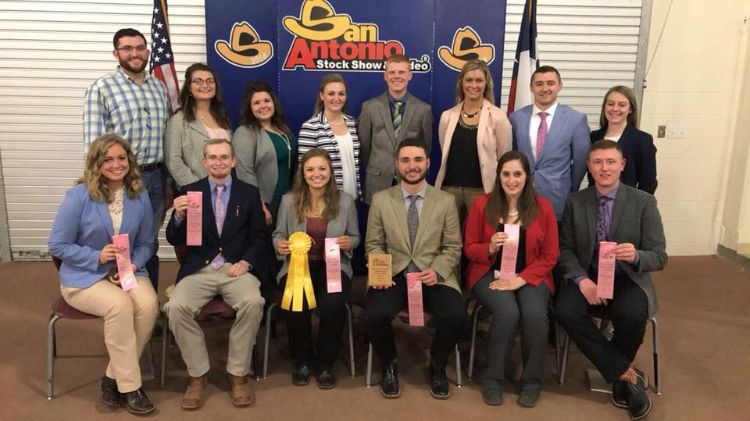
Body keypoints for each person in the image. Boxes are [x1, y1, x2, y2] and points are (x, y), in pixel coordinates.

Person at [555, 140, 667, 421]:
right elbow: (565, 250)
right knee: (564, 309)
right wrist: (582, 280)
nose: (604, 168)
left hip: (626, 277)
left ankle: (617, 373)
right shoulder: (576, 201)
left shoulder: (643, 202)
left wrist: (637, 255)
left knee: (631, 314)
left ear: (622, 165)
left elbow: (659, 255)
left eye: (610, 162)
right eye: (597, 163)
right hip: (589, 276)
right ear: (589, 168)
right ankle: (625, 374)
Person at [48, 134, 158, 415]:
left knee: (148, 305)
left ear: (130, 161)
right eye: (107, 159)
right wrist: (95, 256)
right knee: (119, 305)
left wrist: (133, 265)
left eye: (121, 158)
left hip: (126, 270)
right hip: (84, 277)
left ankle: (112, 377)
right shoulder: (79, 196)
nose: (116, 164)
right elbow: (57, 245)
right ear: (96, 163)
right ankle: (131, 387)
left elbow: (147, 243)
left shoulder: (139, 193)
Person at [164, 139, 266, 410]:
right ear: (204, 162)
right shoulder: (190, 192)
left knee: (254, 303)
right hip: (200, 269)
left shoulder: (249, 193)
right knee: (175, 307)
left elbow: (259, 237)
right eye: (212, 157)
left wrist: (246, 262)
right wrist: (178, 217)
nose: (218, 162)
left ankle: (237, 373)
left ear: (233, 161)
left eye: (224, 157)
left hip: (236, 269)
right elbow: (175, 238)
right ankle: (198, 375)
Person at [365, 138, 465, 400]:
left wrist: (438, 270)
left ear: (428, 163)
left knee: (455, 314)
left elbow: (453, 246)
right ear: (397, 164)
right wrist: (380, 272)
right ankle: (389, 363)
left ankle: (438, 365)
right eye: (406, 160)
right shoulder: (381, 200)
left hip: (433, 274)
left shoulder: (445, 201)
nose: (412, 166)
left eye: (418, 160)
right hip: (394, 274)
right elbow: (374, 244)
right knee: (374, 314)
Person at [464, 151, 559, 407]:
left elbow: (551, 256)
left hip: (531, 276)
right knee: (507, 313)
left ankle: (531, 382)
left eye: (518, 174)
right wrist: (490, 248)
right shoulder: (481, 204)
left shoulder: (544, 207)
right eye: (506, 174)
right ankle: (493, 380)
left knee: (535, 315)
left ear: (527, 177)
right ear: (499, 176)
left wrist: (520, 280)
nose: (512, 180)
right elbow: (469, 248)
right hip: (489, 273)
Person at [84, 28, 169, 291]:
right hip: (120, 179)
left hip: (155, 176)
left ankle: (149, 305)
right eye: (127, 48)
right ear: (116, 53)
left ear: (147, 51)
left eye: (140, 47)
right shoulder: (102, 88)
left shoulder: (159, 88)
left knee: (148, 243)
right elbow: (94, 144)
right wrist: (99, 183)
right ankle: (120, 302)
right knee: (120, 242)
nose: (135, 53)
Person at [272, 148, 360, 388]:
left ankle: (325, 362)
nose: (316, 174)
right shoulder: (289, 200)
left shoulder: (345, 200)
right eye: (310, 169)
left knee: (332, 305)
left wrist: (347, 242)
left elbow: (355, 236)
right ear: (303, 173)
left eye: (322, 168)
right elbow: (279, 234)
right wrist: (279, 245)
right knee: (297, 301)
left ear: (330, 172)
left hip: (334, 266)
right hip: (297, 266)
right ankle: (302, 360)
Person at [435, 59, 512, 225]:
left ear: (486, 84)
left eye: (479, 80)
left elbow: (504, 158)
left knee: (478, 240)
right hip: (449, 190)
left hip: (482, 191)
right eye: (469, 80)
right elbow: (445, 151)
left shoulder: (498, 117)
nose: (473, 85)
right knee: (449, 239)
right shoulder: (447, 116)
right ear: (461, 83)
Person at [509, 65, 590, 220]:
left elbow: (581, 162)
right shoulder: (516, 118)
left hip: (558, 200)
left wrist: (569, 188)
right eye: (539, 84)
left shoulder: (576, 120)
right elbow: (512, 157)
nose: (545, 88)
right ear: (531, 88)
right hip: (521, 198)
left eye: (550, 83)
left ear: (560, 86)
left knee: (554, 244)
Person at [359, 53, 433, 204]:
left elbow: (426, 147)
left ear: (410, 75)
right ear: (385, 76)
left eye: (401, 72)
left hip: (409, 180)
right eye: (392, 72)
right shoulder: (369, 107)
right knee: (376, 226)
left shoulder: (423, 110)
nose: (396, 76)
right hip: (377, 181)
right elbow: (364, 146)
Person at [234, 80, 297, 224]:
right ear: (250, 108)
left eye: (267, 101)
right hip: (266, 204)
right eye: (256, 103)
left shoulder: (283, 130)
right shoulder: (245, 132)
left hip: (287, 202)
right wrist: (259, 205)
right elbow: (244, 173)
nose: (263, 106)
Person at [166, 63, 232, 190]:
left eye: (210, 81)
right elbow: (173, 161)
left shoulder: (222, 117)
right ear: (189, 88)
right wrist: (199, 187)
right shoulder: (178, 120)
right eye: (198, 81)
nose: (205, 85)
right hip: (196, 191)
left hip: (226, 189)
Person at [298, 73, 361, 200]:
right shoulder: (310, 127)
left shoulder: (352, 123)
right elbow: (304, 168)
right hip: (325, 198)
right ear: (322, 96)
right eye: (331, 94)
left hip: (352, 197)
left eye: (341, 94)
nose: (336, 98)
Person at [589, 86, 657, 194]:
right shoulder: (593, 137)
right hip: (594, 203)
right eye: (610, 104)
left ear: (630, 109)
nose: (615, 109)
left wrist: (637, 207)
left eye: (622, 105)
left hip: (627, 206)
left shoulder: (642, 140)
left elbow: (648, 182)